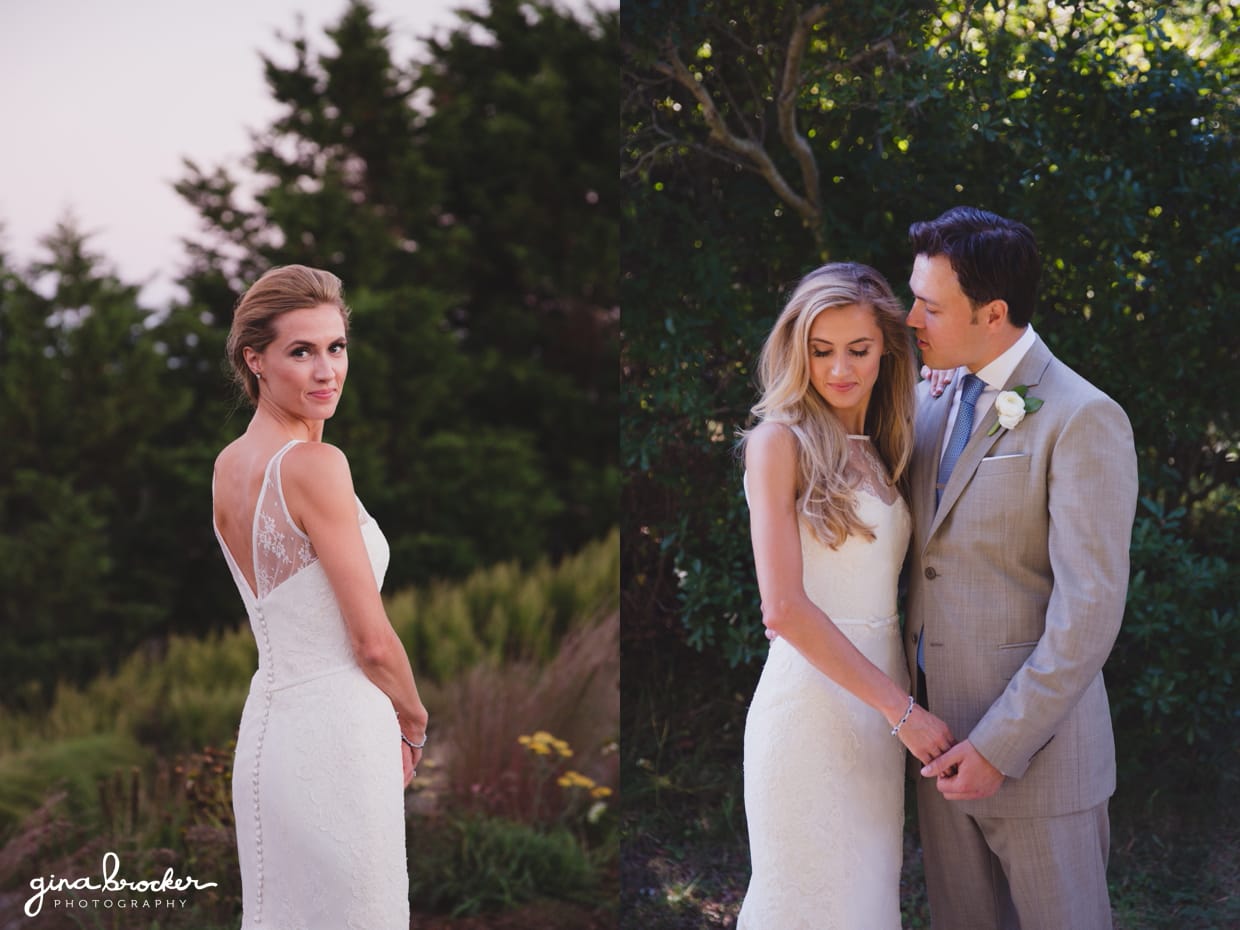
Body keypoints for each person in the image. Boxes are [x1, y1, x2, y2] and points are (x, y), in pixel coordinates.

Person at [903, 207, 1138, 930]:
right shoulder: (930, 398)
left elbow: (1088, 614)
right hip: (939, 755)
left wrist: (1000, 746)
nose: (911, 317)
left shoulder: (1082, 416)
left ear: (993, 312)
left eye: (930, 305)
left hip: (1041, 763)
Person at [736, 262, 954, 929]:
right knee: (803, 904)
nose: (839, 370)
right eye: (821, 351)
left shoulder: (887, 445)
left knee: (863, 904)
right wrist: (904, 712)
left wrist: (943, 384)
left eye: (858, 350)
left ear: (885, 346)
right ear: (797, 351)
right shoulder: (780, 443)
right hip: (813, 711)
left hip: (878, 714)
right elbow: (785, 610)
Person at [211, 265, 429, 929]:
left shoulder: (228, 466)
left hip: (268, 741)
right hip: (340, 737)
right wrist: (414, 722)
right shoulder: (315, 467)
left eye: (336, 348)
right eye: (301, 351)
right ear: (256, 360)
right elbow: (370, 640)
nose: (326, 370)